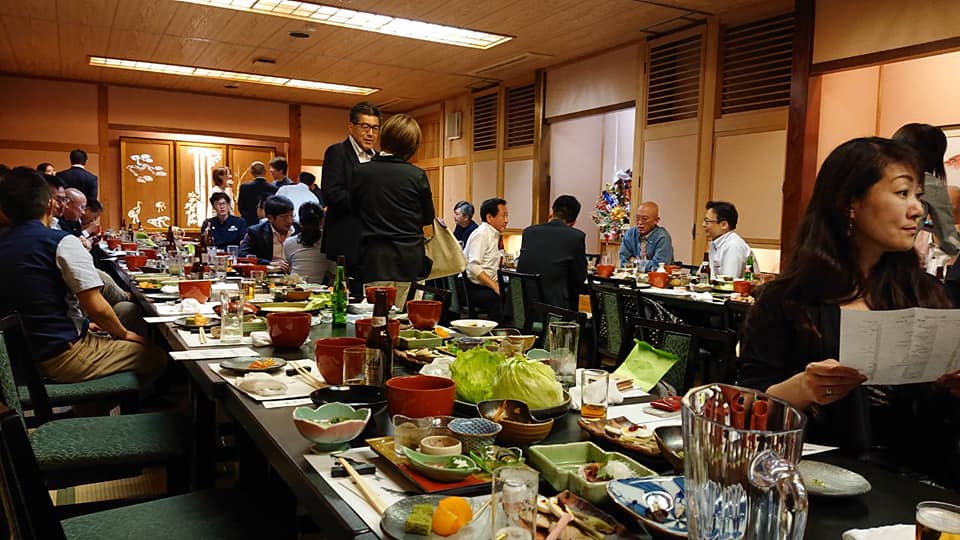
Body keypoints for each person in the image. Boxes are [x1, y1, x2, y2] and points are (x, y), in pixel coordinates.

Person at [739, 137, 960, 486]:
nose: (917, 209)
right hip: (813, 486)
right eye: (902, 193)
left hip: (917, 493)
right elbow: (748, 406)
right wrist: (803, 387)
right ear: (850, 202)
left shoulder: (928, 297)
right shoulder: (788, 300)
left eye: (918, 196)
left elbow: (938, 425)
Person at [0, 167, 166, 385]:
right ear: (50, 205)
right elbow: (96, 307)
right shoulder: (59, 241)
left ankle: (89, 410)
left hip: (18, 357)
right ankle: (102, 413)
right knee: (155, 355)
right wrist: (124, 334)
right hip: (60, 356)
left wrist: (86, 325)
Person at [351, 114, 434, 308]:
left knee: (378, 321)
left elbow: (354, 211)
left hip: (375, 259)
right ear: (412, 145)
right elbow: (428, 217)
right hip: (410, 260)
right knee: (407, 323)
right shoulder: (416, 175)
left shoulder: (361, 172)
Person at [322, 101, 381, 296]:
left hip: (374, 241)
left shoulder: (379, 159)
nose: (370, 133)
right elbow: (332, 194)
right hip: (347, 240)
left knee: (374, 297)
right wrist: (368, 200)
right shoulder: (337, 152)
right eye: (365, 127)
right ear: (351, 127)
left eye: (374, 128)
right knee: (349, 297)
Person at [517, 195, 587, 311]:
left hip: (522, 308)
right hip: (554, 311)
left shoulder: (529, 232)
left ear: (551, 212)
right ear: (574, 221)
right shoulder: (576, 237)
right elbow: (579, 278)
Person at [464, 198, 509, 322]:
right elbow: (473, 266)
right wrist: (494, 285)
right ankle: (498, 333)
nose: (506, 221)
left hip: (483, 286)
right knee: (500, 298)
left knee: (512, 297)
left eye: (507, 216)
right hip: (473, 287)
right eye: (503, 216)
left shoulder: (493, 234)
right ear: (490, 217)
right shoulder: (482, 234)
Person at [239, 195, 297, 271]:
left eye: (291, 215)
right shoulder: (256, 232)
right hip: (269, 276)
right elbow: (243, 255)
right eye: (284, 217)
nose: (289, 221)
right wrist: (268, 263)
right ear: (270, 218)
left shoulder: (299, 229)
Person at [284, 202, 335, 285]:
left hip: (294, 289)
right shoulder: (330, 241)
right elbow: (334, 271)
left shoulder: (288, 243)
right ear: (322, 221)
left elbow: (290, 267)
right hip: (321, 292)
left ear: (300, 222)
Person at [703, 200, 755, 279]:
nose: (703, 225)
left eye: (707, 221)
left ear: (724, 225)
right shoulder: (716, 243)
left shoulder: (733, 246)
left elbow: (728, 282)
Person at [619, 201, 674, 271]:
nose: (640, 222)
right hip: (632, 277)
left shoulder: (662, 237)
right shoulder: (630, 234)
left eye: (644, 219)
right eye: (637, 218)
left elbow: (659, 266)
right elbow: (624, 262)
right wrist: (646, 264)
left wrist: (634, 261)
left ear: (656, 220)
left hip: (656, 279)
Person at [237, 161, 277, 225]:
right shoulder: (273, 188)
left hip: (248, 222)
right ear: (265, 172)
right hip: (267, 223)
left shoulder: (244, 187)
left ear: (252, 172)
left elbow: (240, 205)